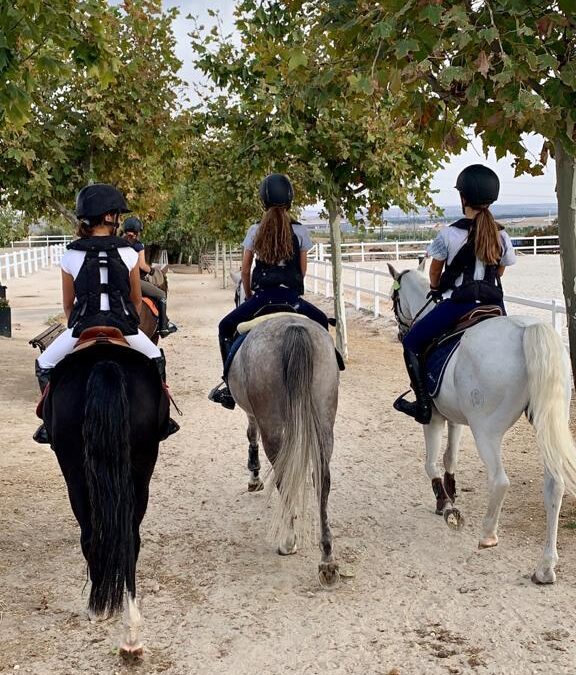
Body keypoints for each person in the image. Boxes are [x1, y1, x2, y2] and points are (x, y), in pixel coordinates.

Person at [33, 183, 178, 443]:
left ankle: (49, 424)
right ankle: (163, 420)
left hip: (82, 327)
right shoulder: (127, 252)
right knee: (156, 356)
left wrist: (78, 327)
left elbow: (68, 304)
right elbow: (135, 300)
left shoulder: (69, 255)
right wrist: (128, 323)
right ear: (110, 217)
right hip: (123, 327)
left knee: (44, 364)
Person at [393, 164, 516, 424]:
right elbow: (501, 273)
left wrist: (437, 288)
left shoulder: (448, 234)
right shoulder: (501, 235)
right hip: (495, 306)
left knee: (411, 343)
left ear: (463, 198)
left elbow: (435, 276)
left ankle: (424, 406)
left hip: (459, 305)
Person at [208, 173, 329, 409]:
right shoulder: (301, 231)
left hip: (262, 298)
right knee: (322, 322)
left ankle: (229, 388)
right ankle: (330, 370)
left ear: (263, 200)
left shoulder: (255, 230)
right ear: (290, 200)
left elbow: (245, 270)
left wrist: (250, 295)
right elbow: (302, 270)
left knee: (224, 327)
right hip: (292, 299)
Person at [122, 216, 177, 337]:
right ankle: (163, 327)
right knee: (161, 295)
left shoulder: (118, 243)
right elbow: (142, 265)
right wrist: (152, 271)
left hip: (118, 281)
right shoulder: (137, 245)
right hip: (134, 281)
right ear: (137, 231)